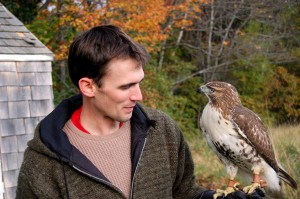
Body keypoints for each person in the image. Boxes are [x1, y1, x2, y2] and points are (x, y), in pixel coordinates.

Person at [16, 25, 265, 199]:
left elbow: (183, 192)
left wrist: (212, 198)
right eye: (126, 86)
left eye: (139, 82)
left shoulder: (161, 129)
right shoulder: (43, 162)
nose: (139, 95)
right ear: (88, 86)